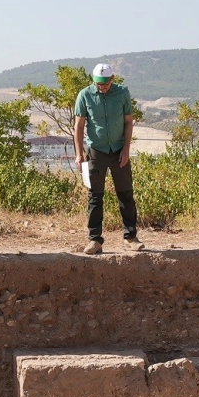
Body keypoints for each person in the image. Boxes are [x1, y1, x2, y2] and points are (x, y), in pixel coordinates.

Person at [72, 63, 140, 255]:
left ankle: (131, 237)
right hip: (96, 151)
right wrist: (79, 154)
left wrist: (126, 149)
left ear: (112, 79)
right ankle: (95, 240)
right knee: (95, 196)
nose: (101, 87)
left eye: (104, 84)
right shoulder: (84, 95)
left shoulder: (122, 93)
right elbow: (78, 126)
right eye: (98, 84)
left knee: (126, 194)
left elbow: (128, 122)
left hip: (119, 150)